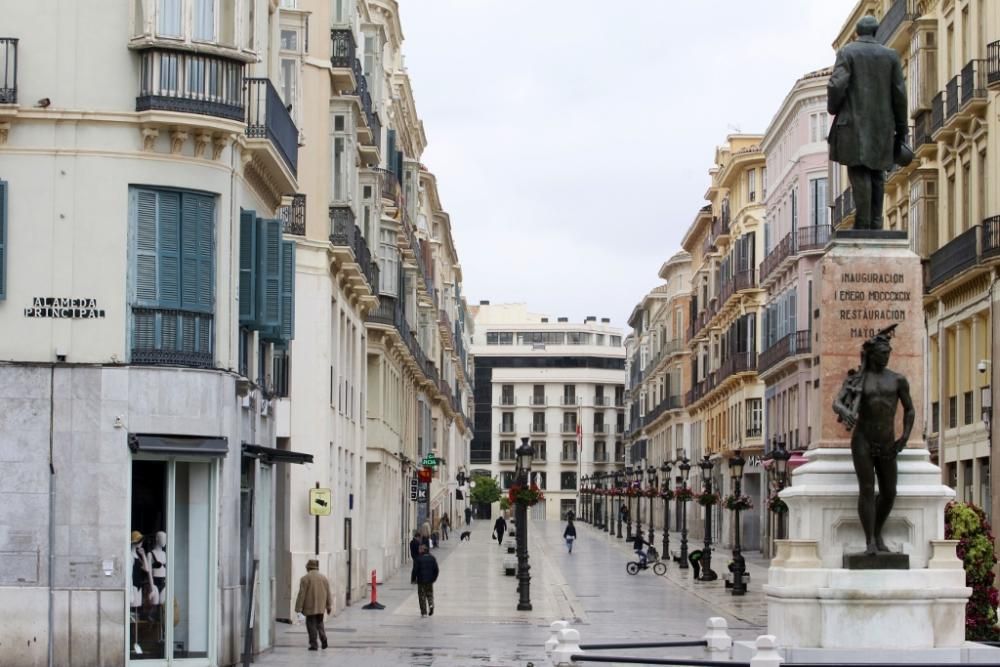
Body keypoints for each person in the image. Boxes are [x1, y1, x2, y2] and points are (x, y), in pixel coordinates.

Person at [833, 324, 914, 556]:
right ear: (872, 354)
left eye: (888, 353)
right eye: (881, 354)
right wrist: (845, 411)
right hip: (863, 441)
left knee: (889, 492)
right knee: (867, 489)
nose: (886, 357)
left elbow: (909, 410)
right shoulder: (858, 380)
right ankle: (870, 541)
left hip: (888, 442)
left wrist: (905, 437)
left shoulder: (898, 380)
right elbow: (837, 402)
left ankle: (877, 532)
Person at [827, 15, 908, 230]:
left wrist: (833, 107)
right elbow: (900, 94)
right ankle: (876, 222)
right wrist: (902, 129)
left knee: (859, 170)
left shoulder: (847, 53)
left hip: (852, 125)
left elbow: (836, 85)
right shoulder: (891, 57)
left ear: (857, 33)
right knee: (877, 173)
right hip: (882, 127)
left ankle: (863, 223)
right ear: (875, 32)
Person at [294, 559, 332, 651]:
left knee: (311, 626)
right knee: (320, 623)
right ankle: (324, 639)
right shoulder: (324, 578)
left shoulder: (305, 579)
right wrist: (328, 606)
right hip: (320, 607)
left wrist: (298, 608)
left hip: (309, 607)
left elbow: (301, 594)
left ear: (308, 567)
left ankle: (314, 644)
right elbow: (328, 593)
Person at [413, 544, 439, 617]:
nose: (418, 550)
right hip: (430, 580)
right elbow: (436, 570)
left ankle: (424, 612)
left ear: (422, 550)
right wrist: (434, 578)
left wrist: (413, 579)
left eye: (419, 549)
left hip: (421, 581)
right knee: (429, 594)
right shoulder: (432, 558)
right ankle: (431, 604)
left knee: (422, 596)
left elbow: (415, 570)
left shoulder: (418, 559)